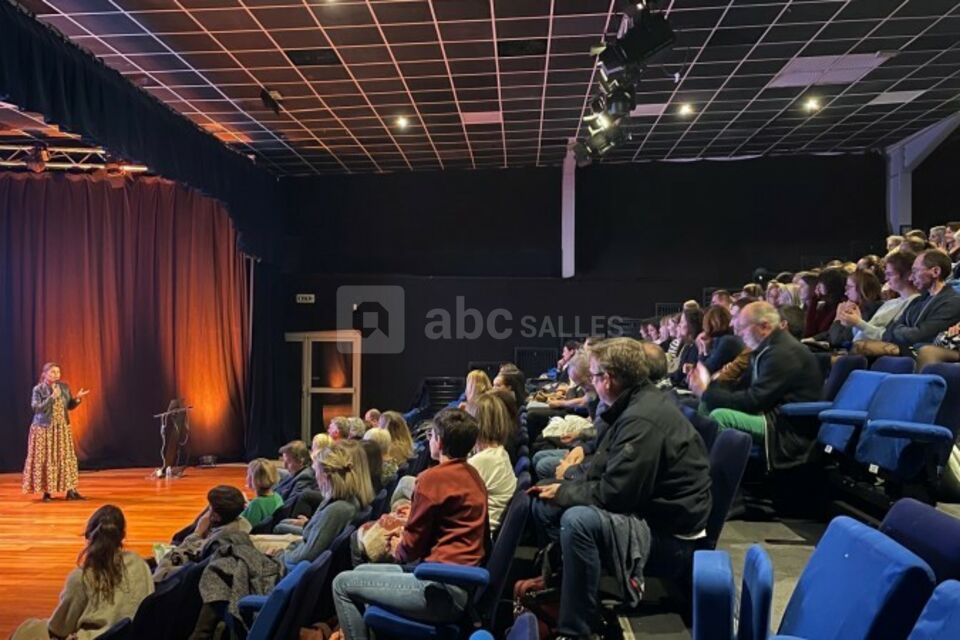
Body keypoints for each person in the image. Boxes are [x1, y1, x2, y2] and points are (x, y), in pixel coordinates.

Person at [529, 338, 711, 640]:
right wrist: (564, 485)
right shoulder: (632, 404)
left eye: (595, 375)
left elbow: (615, 494)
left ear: (609, 379)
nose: (593, 382)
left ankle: (578, 629)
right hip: (651, 513)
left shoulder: (642, 418)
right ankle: (564, 587)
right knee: (546, 499)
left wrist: (564, 492)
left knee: (577, 522)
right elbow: (603, 465)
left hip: (671, 538)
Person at [331, 409, 488, 640]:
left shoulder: (432, 478)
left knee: (341, 584)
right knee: (360, 572)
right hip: (457, 581)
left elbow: (409, 551)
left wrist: (397, 544)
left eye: (432, 435)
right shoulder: (473, 474)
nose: (430, 440)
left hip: (440, 590)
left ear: (440, 441)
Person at [689, 301, 823, 469]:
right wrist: (709, 392)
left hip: (784, 425)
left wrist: (707, 392)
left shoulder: (782, 352)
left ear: (764, 326)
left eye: (742, 327)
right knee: (706, 405)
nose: (738, 332)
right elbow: (742, 389)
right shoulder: (765, 348)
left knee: (720, 417)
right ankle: (699, 467)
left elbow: (754, 401)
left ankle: (724, 482)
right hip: (769, 413)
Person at [12, 505, 154, 640]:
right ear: (122, 536)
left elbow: (59, 628)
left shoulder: (81, 578)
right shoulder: (139, 563)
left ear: (88, 537)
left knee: (27, 629)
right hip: (134, 634)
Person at [274, 440, 375, 568]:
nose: (315, 476)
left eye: (316, 471)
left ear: (326, 476)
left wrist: (280, 554)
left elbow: (306, 556)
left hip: (288, 563)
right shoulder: (343, 501)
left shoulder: (337, 509)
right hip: (296, 549)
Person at [857, 249, 960, 356]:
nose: (911, 277)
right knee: (859, 346)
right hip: (906, 347)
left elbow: (920, 335)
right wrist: (904, 330)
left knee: (862, 347)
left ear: (935, 272)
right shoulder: (919, 300)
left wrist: (902, 330)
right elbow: (893, 328)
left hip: (922, 350)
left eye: (915, 271)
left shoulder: (952, 301)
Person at [23, 362, 91, 502]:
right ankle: (47, 492)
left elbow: (69, 406)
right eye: (53, 372)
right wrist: (51, 398)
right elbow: (37, 408)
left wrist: (77, 398)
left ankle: (71, 491)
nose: (56, 374)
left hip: (61, 428)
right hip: (44, 429)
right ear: (45, 374)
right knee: (47, 458)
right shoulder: (38, 389)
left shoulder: (64, 387)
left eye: (58, 372)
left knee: (65, 458)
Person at [155, 485, 251, 581]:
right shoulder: (243, 524)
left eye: (209, 509)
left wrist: (198, 532)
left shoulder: (215, 541)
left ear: (216, 516)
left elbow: (164, 571)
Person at [467, 393, 518, 533]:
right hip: (479, 528)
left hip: (475, 535)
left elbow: (448, 502)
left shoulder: (482, 461)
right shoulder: (499, 452)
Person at [240, 458, 283, 528]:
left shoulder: (256, 504)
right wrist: (249, 506)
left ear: (255, 479)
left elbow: (243, 526)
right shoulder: (277, 496)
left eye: (249, 474)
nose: (247, 477)